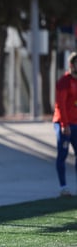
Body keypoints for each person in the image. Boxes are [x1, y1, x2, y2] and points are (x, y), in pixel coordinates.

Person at [53, 51, 77, 197]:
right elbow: (60, 104)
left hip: (76, 123)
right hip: (64, 124)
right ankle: (63, 187)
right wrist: (64, 124)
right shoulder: (64, 82)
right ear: (71, 65)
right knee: (63, 154)